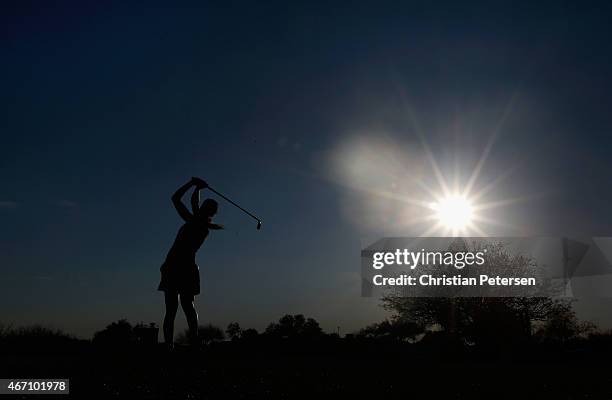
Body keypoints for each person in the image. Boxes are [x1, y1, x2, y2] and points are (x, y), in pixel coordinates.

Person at [158, 177, 223, 349]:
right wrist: (197, 188)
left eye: (204, 208)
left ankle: (172, 344)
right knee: (185, 307)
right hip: (181, 267)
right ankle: (184, 343)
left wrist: (193, 185)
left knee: (175, 309)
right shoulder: (198, 222)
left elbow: (176, 198)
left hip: (177, 267)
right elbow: (192, 203)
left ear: (207, 213)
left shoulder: (197, 224)